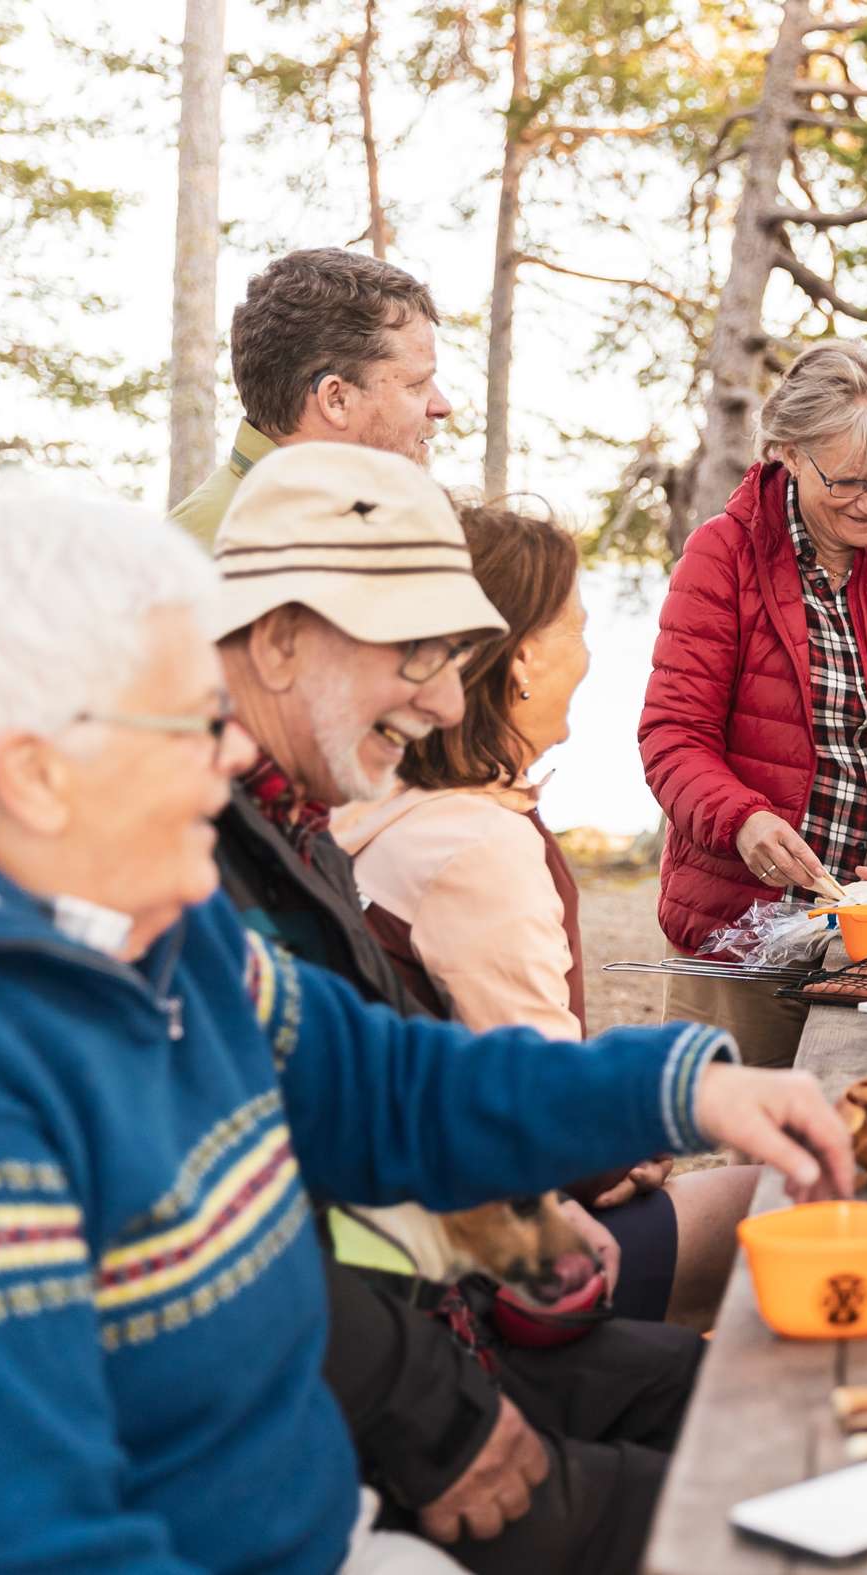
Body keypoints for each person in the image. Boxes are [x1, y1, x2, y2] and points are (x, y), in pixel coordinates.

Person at [0, 480, 854, 1574]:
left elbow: (388, 1088)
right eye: (191, 725)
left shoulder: (172, 936)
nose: (233, 757)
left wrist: (683, 1088)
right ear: (37, 778)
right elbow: (44, 1541)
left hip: (335, 1515)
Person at [207, 443, 726, 1575]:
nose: (446, 696)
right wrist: (439, 1421)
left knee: (730, 1406)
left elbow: (389, 1088)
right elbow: (237, 1239)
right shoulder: (187, 867)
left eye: (457, 656)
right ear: (281, 639)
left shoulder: (292, 831)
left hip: (429, 1329)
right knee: (740, 1500)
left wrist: (676, 1092)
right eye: (418, 652)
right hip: (346, 1418)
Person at [334, 501, 759, 1329]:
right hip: (486, 1267)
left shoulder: (387, 794)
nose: (593, 652)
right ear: (522, 656)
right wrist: (618, 1144)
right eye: (579, 626)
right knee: (772, 1203)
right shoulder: (478, 847)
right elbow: (533, 1101)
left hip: (414, 1212)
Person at [640, 341, 867, 1067]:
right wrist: (740, 818)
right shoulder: (723, 555)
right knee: (749, 1139)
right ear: (786, 450)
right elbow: (672, 734)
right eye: (847, 482)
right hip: (739, 916)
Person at [168, 247, 451, 546]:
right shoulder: (208, 556)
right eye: (416, 384)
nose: (442, 406)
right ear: (336, 399)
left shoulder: (340, 527)